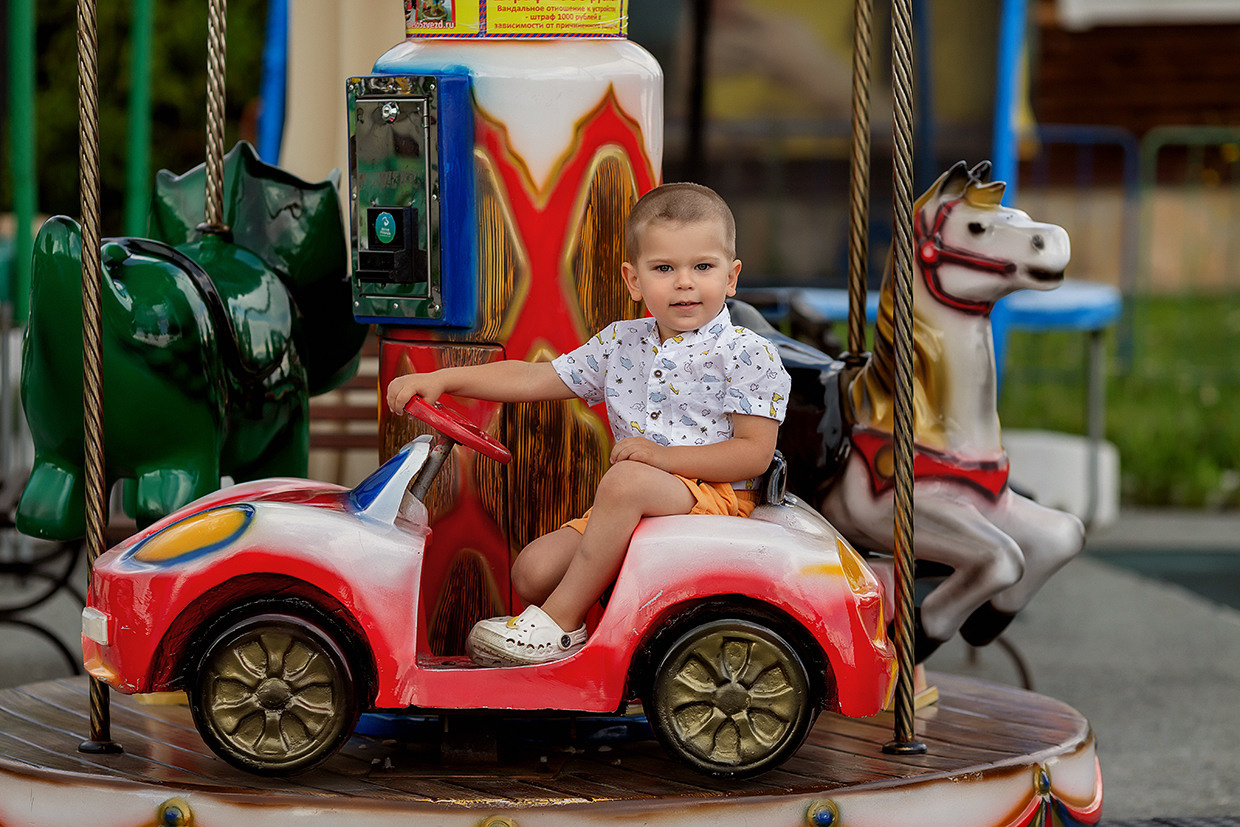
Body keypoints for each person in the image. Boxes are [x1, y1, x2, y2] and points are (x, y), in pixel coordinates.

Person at [386, 182, 790, 666]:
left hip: (718, 497)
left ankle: (558, 625)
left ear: (731, 276)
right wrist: (444, 379)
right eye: (664, 268)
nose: (684, 282)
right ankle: (584, 643)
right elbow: (534, 377)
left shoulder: (747, 353)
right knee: (532, 572)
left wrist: (662, 458)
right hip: (636, 495)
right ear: (633, 280)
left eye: (702, 267)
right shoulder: (622, 342)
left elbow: (753, 453)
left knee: (625, 480)